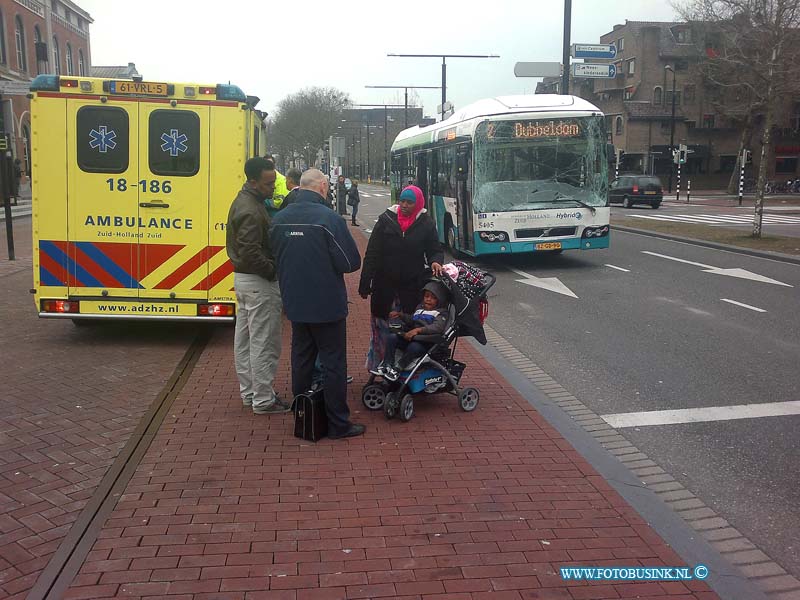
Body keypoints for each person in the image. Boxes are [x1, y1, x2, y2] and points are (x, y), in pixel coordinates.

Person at [271, 168, 365, 439]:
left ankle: (302, 417)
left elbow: (274, 256)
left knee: (301, 360)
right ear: (323, 187)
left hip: (295, 304)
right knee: (334, 363)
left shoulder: (279, 219)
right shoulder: (329, 219)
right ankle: (338, 424)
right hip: (327, 305)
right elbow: (350, 263)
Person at [226, 157, 289, 414]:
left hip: (243, 280)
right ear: (253, 182)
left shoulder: (244, 202)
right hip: (259, 281)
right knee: (264, 342)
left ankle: (250, 393)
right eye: (268, 183)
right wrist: (272, 271)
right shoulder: (252, 210)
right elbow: (251, 250)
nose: (273, 187)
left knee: (245, 339)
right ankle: (263, 399)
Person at [359, 185, 444, 372]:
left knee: (404, 330)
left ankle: (401, 371)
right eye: (402, 201)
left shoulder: (426, 224)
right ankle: (378, 368)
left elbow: (435, 250)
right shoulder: (386, 220)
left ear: (418, 203)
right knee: (381, 328)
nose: (404, 205)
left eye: (409, 202)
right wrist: (365, 283)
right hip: (384, 287)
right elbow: (372, 253)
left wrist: (435, 261)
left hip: (410, 289)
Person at [373, 279, 449, 381]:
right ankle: (387, 364)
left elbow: (437, 327)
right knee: (391, 338)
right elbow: (412, 319)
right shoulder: (420, 308)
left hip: (424, 342)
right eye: (426, 296)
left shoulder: (441, 313)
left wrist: (418, 330)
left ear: (440, 300)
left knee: (414, 347)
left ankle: (398, 368)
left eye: (433, 298)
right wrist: (400, 315)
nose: (428, 299)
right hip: (411, 337)